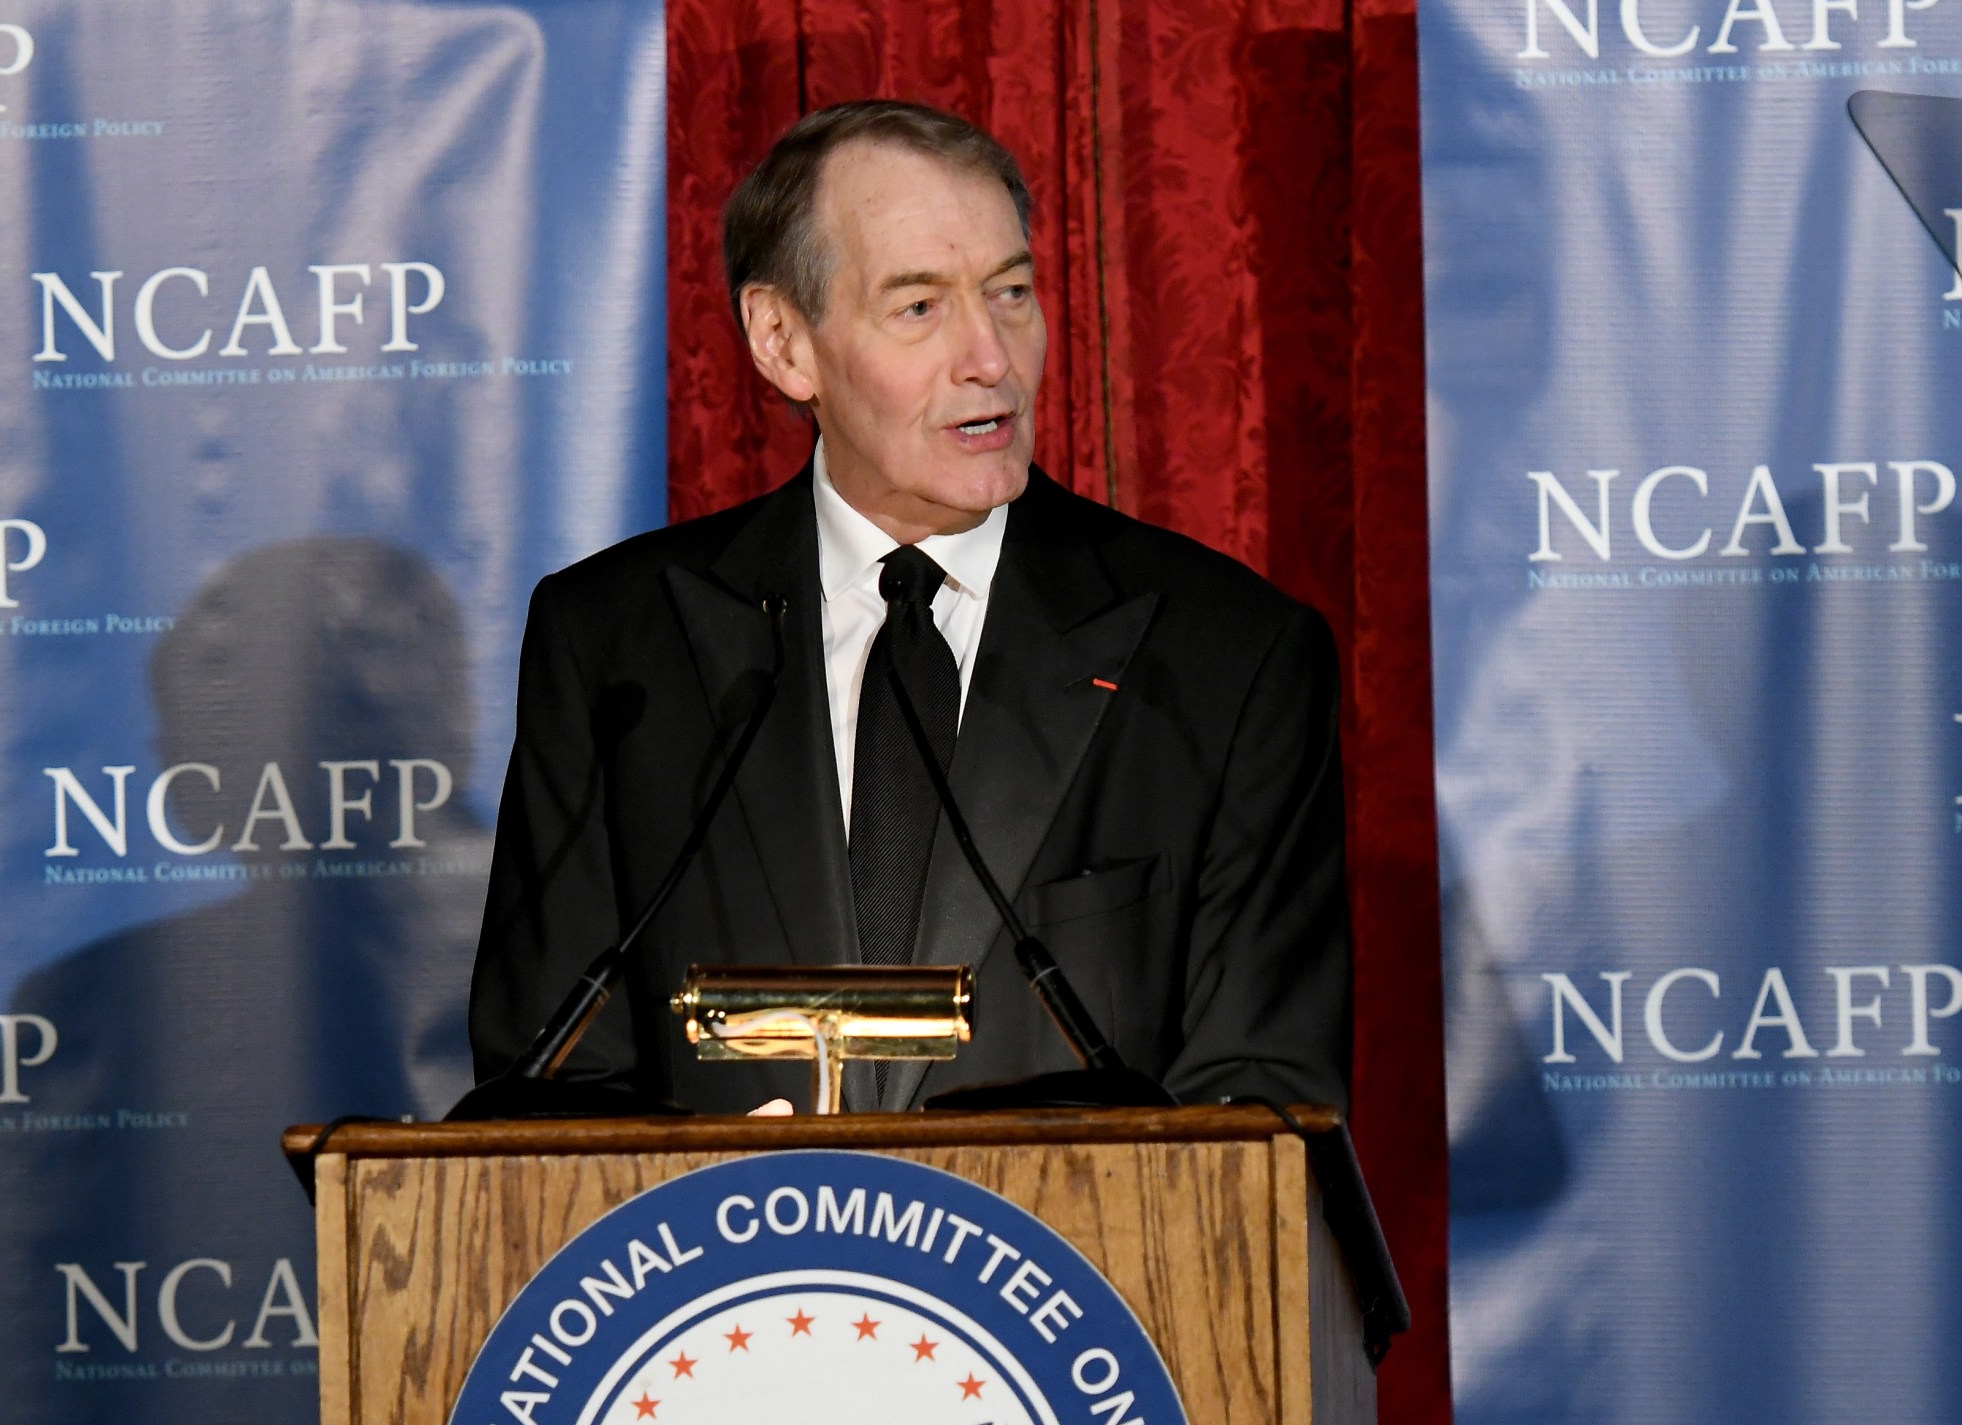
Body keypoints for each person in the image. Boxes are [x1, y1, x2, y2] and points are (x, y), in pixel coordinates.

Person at [469, 99, 1350, 1115]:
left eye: (1011, 292)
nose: (991, 357)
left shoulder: (1227, 658)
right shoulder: (616, 649)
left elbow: (1262, 1099)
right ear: (783, 342)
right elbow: (548, 1088)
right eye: (919, 307)